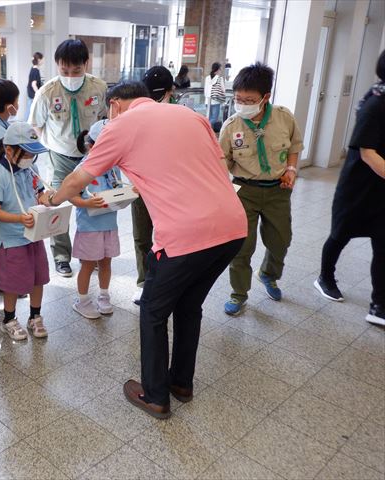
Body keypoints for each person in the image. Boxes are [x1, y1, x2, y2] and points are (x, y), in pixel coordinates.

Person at [40, 81, 247, 419]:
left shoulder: (120, 124)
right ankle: (181, 383)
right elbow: (214, 167)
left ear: (115, 105)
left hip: (185, 235)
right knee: (189, 305)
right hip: (232, 226)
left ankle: (155, 395)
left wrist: (51, 198)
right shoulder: (188, 115)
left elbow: (78, 179)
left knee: (152, 311)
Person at [219, 62, 303, 316]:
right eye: (238, 98)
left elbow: (294, 147)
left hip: (278, 190)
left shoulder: (284, 117)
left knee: (281, 240)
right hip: (244, 191)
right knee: (242, 247)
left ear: (265, 97)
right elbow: (222, 162)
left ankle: (268, 274)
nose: (242, 103)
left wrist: (291, 170)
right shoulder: (232, 126)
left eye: (249, 99)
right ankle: (238, 293)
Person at [314, 50, 385, 326]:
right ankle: (325, 277)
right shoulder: (376, 104)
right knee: (340, 234)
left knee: (383, 243)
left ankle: (379, 304)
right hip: (359, 187)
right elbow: (368, 152)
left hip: (381, 190)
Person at [29, 39, 107, 277]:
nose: (70, 75)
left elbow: (105, 121)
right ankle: (61, 256)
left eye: (77, 70)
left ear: (86, 63)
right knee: (57, 204)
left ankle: (90, 255)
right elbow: (36, 126)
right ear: (57, 65)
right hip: (59, 155)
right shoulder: (47, 92)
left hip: (90, 156)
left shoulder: (99, 88)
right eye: (65, 70)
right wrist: (52, 146)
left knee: (93, 203)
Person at [0, 122, 50, 340]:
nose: (30, 159)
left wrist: (47, 199)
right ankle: (9, 319)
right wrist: (18, 218)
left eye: (33, 154)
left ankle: (35, 316)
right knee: (12, 282)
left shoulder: (31, 168)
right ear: (9, 150)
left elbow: (39, 194)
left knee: (38, 277)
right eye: (26, 154)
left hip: (34, 236)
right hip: (12, 240)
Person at [129, 66, 176, 305]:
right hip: (141, 186)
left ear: (171, 91)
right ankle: (143, 281)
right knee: (142, 236)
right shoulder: (136, 115)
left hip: (171, 189)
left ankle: (166, 283)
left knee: (170, 237)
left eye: (160, 93)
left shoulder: (181, 116)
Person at [70, 120, 120, 319]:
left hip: (109, 223)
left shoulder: (113, 167)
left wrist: (125, 195)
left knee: (106, 262)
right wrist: (87, 204)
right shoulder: (82, 169)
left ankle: (104, 296)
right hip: (89, 226)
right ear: (90, 146)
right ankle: (82, 301)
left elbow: (116, 188)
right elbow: (71, 196)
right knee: (88, 264)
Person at [204, 62, 226, 130]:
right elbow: (223, 90)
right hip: (215, 101)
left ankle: (208, 131)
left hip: (207, 100)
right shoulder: (219, 78)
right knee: (214, 118)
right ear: (218, 69)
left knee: (209, 117)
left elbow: (205, 89)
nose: (221, 71)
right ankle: (205, 128)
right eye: (220, 69)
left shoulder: (207, 78)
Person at [26, 52, 43, 120]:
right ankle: (26, 126)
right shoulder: (36, 70)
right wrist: (38, 93)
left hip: (30, 93)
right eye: (42, 59)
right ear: (39, 60)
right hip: (33, 94)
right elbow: (33, 84)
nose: (43, 61)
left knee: (30, 110)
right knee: (30, 111)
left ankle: (26, 125)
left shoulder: (32, 68)